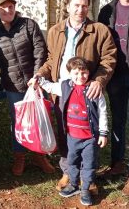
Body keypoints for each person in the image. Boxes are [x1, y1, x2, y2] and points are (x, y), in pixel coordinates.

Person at [29, 0, 117, 192]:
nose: (80, 10)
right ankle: (68, 171)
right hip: (63, 92)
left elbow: (109, 59)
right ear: (67, 7)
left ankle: (88, 176)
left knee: (89, 135)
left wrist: (98, 80)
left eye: (84, 6)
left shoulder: (99, 30)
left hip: (88, 93)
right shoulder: (55, 31)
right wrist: (39, 76)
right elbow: (51, 60)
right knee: (66, 133)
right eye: (76, 5)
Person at [0, 0, 55, 176]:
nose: (8, 10)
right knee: (19, 122)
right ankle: (20, 157)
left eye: (11, 6)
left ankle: (39, 156)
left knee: (39, 118)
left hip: (35, 82)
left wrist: (38, 76)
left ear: (15, 8)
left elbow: (41, 50)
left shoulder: (28, 24)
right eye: (3, 7)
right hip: (12, 86)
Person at [38, 56, 108, 206]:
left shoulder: (95, 90)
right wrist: (38, 80)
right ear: (70, 74)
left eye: (83, 73)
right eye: (76, 73)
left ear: (88, 72)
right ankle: (74, 184)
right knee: (72, 161)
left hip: (90, 138)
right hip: (72, 137)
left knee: (89, 164)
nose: (80, 77)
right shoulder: (65, 86)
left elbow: (102, 112)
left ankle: (85, 189)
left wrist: (103, 133)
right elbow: (50, 86)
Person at [98, 0, 129, 196]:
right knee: (118, 120)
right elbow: (100, 42)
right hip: (117, 75)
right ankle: (117, 162)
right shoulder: (106, 11)